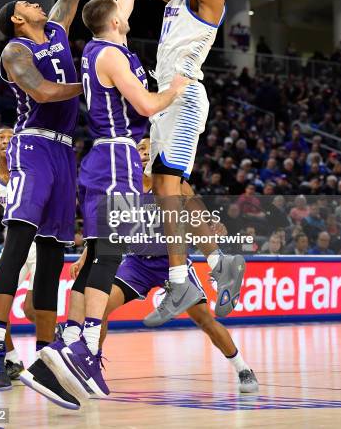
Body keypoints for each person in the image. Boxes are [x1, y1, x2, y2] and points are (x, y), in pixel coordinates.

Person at [27, 0, 190, 404]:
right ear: (115, 22)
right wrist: (175, 90)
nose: (128, 7)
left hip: (106, 156)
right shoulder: (114, 54)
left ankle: (72, 342)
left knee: (97, 250)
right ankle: (82, 343)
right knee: (110, 252)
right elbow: (144, 103)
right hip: (116, 158)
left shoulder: (102, 47)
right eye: (122, 9)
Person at [0, 0, 118, 406]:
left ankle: (44, 357)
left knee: (56, 259)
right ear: (17, 19)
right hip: (34, 145)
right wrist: (88, 82)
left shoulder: (58, 28)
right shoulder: (16, 51)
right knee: (19, 244)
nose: (38, 3)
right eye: (26, 4)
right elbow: (40, 92)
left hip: (66, 155)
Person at [70, 137, 258, 394]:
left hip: (173, 262)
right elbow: (106, 230)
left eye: (149, 148)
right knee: (99, 307)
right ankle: (92, 368)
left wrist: (211, 226)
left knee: (205, 321)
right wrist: (84, 257)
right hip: (137, 263)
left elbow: (197, 211)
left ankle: (242, 368)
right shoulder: (125, 187)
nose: (145, 152)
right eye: (140, 149)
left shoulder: (174, 183)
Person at [137, 0, 244, 324]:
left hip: (186, 98)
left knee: (166, 188)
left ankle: (181, 280)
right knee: (176, 188)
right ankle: (222, 259)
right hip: (165, 102)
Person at [0, 127, 36, 381]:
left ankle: (59, 342)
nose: (5, 141)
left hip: (40, 244)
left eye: (11, 137)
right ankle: (11, 359)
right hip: (14, 247)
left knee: (31, 310)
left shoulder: (30, 171)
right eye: (1, 138)